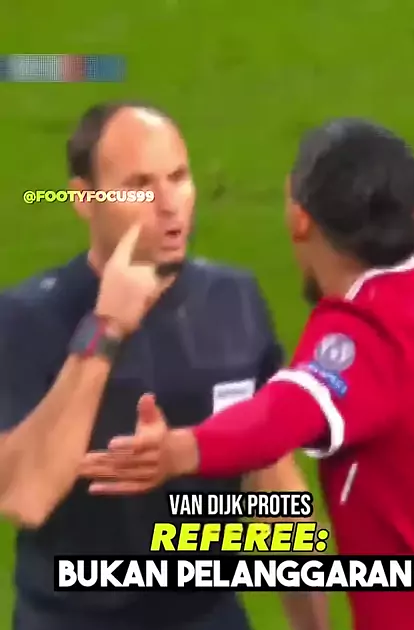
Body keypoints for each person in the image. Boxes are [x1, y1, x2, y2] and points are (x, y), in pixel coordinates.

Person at [83, 118, 414, 630]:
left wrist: (181, 450)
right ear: (412, 210)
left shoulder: (370, 332)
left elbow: (283, 415)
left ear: (300, 219)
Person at [0, 102, 328, 630]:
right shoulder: (29, 316)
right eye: (139, 186)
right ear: (85, 198)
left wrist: (312, 625)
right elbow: (26, 495)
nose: (169, 203)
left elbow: (271, 477)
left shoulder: (233, 299)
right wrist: (106, 328)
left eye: (178, 177)